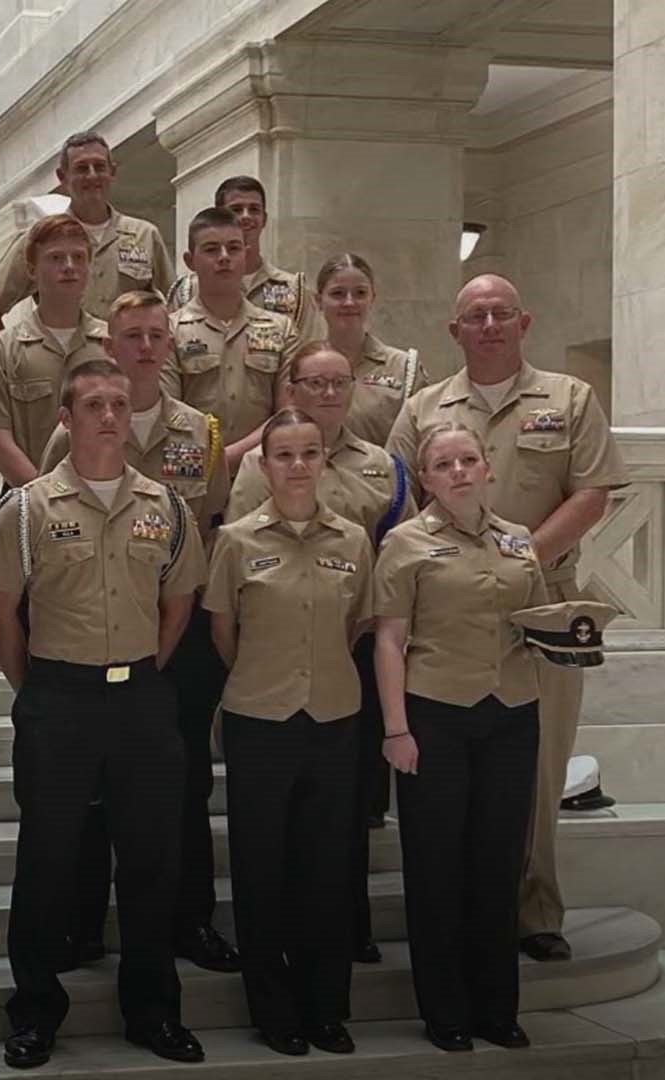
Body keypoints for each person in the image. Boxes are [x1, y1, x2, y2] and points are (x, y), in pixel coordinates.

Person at [386, 274, 629, 964]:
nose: (488, 324)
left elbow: (592, 492)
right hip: (445, 609)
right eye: (474, 315)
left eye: (500, 313)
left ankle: (534, 909)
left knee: (541, 761)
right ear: (454, 330)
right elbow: (401, 497)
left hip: (542, 603)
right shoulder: (424, 406)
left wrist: (519, 555)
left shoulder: (569, 398)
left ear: (523, 322)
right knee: (450, 772)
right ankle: (454, 915)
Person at [0, 359, 208, 1070]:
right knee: (47, 857)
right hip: (58, 699)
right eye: (93, 405)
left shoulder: (164, 508)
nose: (109, 415)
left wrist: (142, 671)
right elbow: (0, 611)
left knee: (150, 860)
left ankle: (153, 1011)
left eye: (118, 403)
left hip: (140, 697)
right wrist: (38, 686)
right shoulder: (26, 508)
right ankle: (35, 1012)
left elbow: (179, 605)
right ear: (66, 419)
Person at [39, 292, 238, 974]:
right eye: (132, 335)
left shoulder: (200, 430)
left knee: (183, 785)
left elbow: (207, 518)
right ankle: (82, 923)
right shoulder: (74, 426)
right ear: (111, 342)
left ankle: (190, 920)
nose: (147, 346)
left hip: (176, 631)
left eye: (158, 334)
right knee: (91, 789)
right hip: (98, 626)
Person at [225, 341, 414, 965]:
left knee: (349, 810)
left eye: (339, 382)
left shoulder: (381, 464)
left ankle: (347, 925)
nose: (328, 393)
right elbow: (235, 586)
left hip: (353, 641)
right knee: (275, 831)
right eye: (315, 383)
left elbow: (399, 546)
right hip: (274, 649)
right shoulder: (260, 462)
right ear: (293, 389)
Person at [372, 421, 548, 1053]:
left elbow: (538, 620)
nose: (458, 472)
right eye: (443, 465)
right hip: (435, 713)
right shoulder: (405, 543)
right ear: (426, 479)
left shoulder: (519, 540)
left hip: (512, 711)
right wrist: (396, 728)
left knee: (498, 864)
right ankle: (445, 1009)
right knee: (437, 865)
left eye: (468, 460)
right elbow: (390, 639)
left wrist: (574, 638)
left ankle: (496, 1007)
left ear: (488, 467)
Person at [206, 408, 373, 1057]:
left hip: (333, 718)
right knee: (260, 871)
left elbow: (357, 624)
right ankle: (274, 1011)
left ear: (324, 461)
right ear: (264, 464)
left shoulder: (354, 541)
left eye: (309, 453)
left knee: (327, 871)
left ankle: (325, 1008)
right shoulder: (237, 542)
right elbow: (224, 635)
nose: (298, 465)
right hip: (258, 721)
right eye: (284, 455)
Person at [0, 214, 110, 488]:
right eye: (56, 258)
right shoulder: (2, 349)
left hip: (104, 497)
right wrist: (46, 497)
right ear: (32, 270)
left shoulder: (112, 345)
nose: (69, 267)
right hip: (28, 497)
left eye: (79, 258)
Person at [166, 207, 300, 471]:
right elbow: (169, 414)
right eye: (212, 249)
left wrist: (229, 458)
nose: (224, 257)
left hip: (263, 471)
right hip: (193, 472)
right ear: (190, 260)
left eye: (234, 248)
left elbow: (287, 413)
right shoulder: (170, 330)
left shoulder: (281, 329)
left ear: (246, 255)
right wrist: (210, 463)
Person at [0, 131, 173, 323]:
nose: (92, 175)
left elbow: (174, 305)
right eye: (82, 168)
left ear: (112, 172)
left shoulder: (145, 235)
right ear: (62, 177)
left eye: (99, 167)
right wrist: (11, 351)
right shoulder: (40, 238)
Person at [165, 176, 317, 339]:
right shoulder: (186, 290)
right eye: (236, 209)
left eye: (254, 209)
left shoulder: (293, 289)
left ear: (264, 219)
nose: (246, 216)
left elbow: (307, 352)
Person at [311, 252, 428, 445]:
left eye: (360, 293)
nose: (349, 302)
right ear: (318, 301)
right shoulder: (303, 366)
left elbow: (421, 440)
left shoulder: (404, 368)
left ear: (372, 298)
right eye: (338, 293)